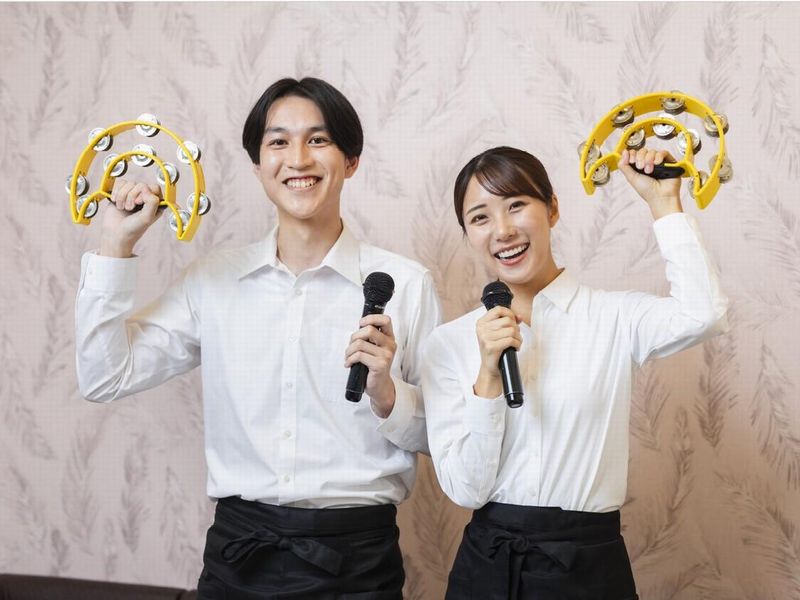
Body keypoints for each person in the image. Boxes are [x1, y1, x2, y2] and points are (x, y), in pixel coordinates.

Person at [74, 77, 441, 599]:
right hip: (237, 557)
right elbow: (104, 377)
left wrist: (388, 396)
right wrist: (115, 243)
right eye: (278, 142)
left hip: (357, 562)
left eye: (318, 140)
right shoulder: (213, 281)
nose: (298, 159)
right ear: (258, 166)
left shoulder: (407, 284)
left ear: (351, 160)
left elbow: (445, 437)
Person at [422, 146, 728, 600]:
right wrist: (488, 377)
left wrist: (664, 204)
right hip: (487, 568)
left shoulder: (613, 317)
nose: (503, 230)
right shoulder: (448, 343)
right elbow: (467, 489)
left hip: (588, 565)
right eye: (480, 217)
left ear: (552, 208)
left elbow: (704, 315)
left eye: (516, 205)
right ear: (468, 235)